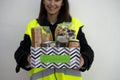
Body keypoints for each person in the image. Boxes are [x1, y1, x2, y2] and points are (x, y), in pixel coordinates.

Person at [14, 0, 94, 80]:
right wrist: (28, 59)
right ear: (43, 1)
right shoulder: (33, 25)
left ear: (62, 2)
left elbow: (87, 51)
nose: (52, 3)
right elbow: (20, 52)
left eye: (57, 0)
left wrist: (83, 60)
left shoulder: (74, 24)